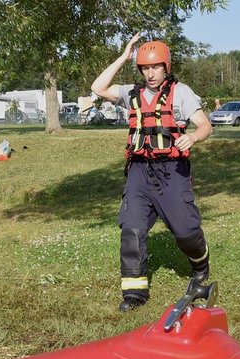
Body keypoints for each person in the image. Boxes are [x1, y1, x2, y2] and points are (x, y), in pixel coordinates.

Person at [91, 33, 213, 313]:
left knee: (185, 231)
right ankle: (134, 294)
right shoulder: (130, 94)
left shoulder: (181, 92)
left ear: (166, 67)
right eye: (145, 68)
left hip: (172, 171)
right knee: (131, 228)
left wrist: (193, 138)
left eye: (155, 67)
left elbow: (205, 125)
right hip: (138, 170)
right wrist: (124, 57)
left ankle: (200, 264)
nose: (150, 73)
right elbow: (98, 87)